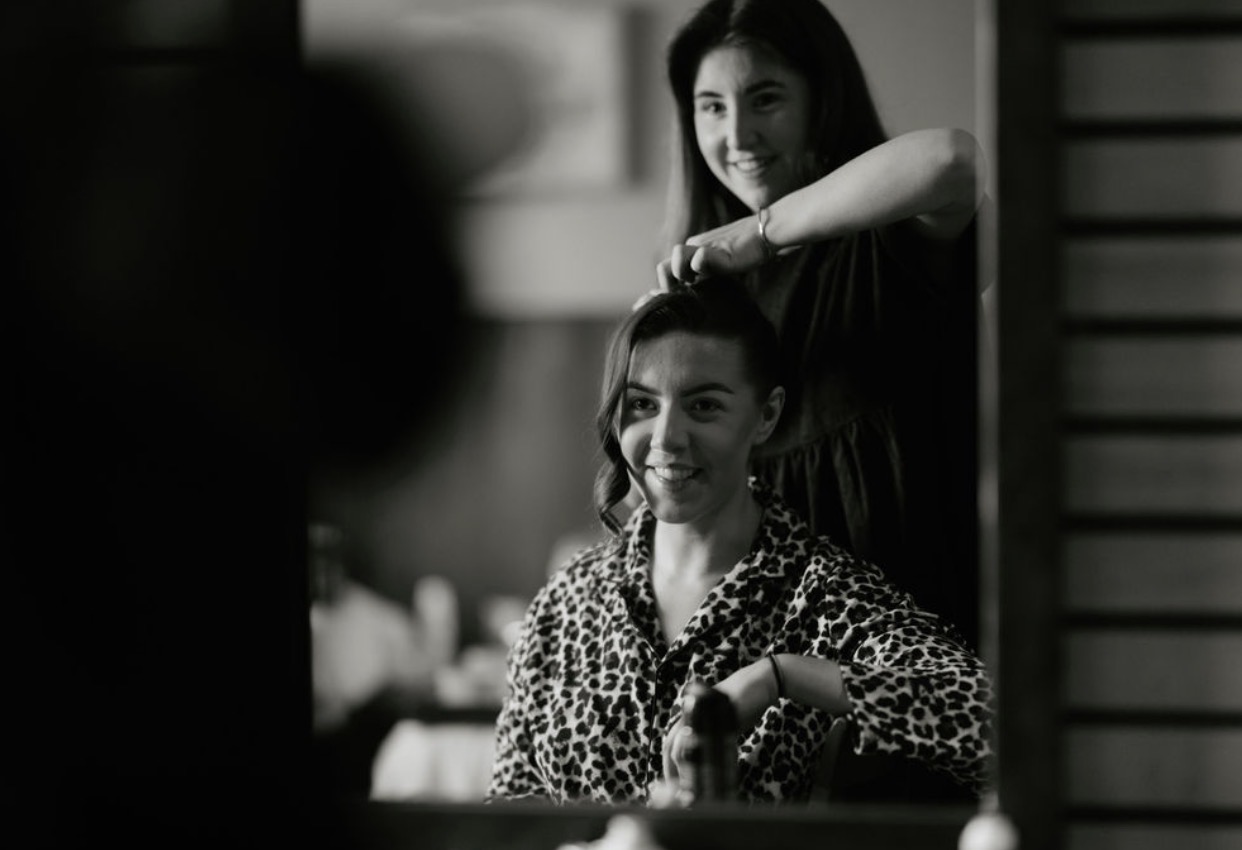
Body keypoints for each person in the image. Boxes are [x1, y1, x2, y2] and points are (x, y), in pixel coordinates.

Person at [486, 277, 993, 806]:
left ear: (766, 415)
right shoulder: (565, 601)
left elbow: (998, 726)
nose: (666, 438)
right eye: (641, 404)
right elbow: (509, 808)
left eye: (703, 406)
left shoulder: (824, 600)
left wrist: (780, 675)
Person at [652, 0, 985, 654]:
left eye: (765, 98)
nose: (738, 135)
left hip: (911, 675)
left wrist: (761, 232)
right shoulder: (714, 299)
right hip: (765, 681)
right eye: (712, 107)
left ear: (823, 99)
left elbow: (953, 161)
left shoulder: (889, 244)